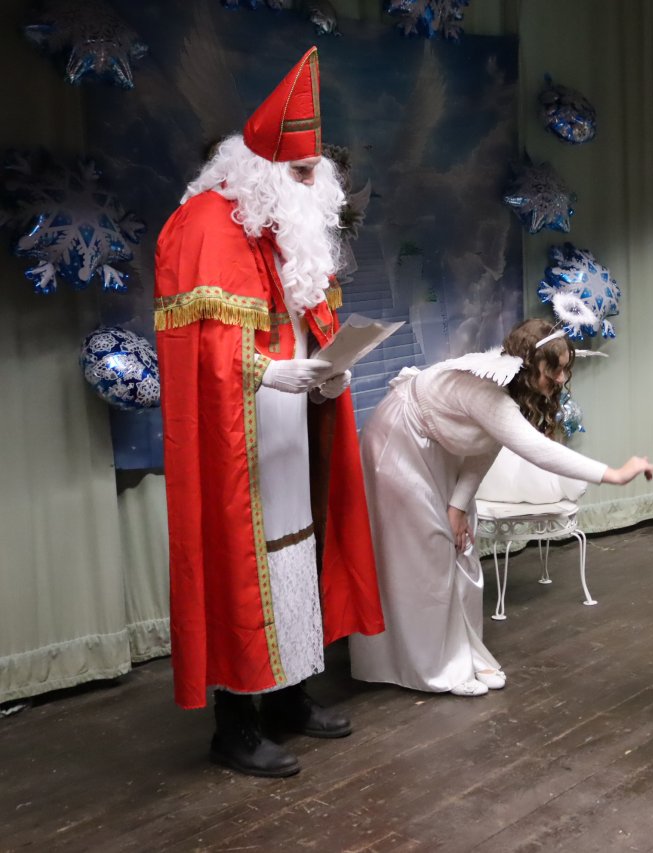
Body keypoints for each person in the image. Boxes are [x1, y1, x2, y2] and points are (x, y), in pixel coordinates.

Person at [153, 46, 385, 778]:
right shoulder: (205, 224)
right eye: (302, 173)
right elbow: (204, 355)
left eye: (316, 173)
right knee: (239, 566)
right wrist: (275, 371)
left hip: (291, 433)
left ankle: (288, 696)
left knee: (295, 557)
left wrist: (327, 375)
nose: (314, 186)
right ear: (264, 169)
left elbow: (306, 315)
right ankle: (236, 724)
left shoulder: (284, 227)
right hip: (237, 442)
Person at [349, 318, 653, 697]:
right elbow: (537, 450)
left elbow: (485, 448)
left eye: (565, 368)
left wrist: (458, 506)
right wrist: (614, 474)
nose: (561, 378)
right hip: (399, 442)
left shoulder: (510, 386)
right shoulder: (489, 392)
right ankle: (434, 668)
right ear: (530, 362)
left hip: (435, 448)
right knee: (426, 556)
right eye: (554, 368)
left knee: (461, 547)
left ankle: (463, 651)